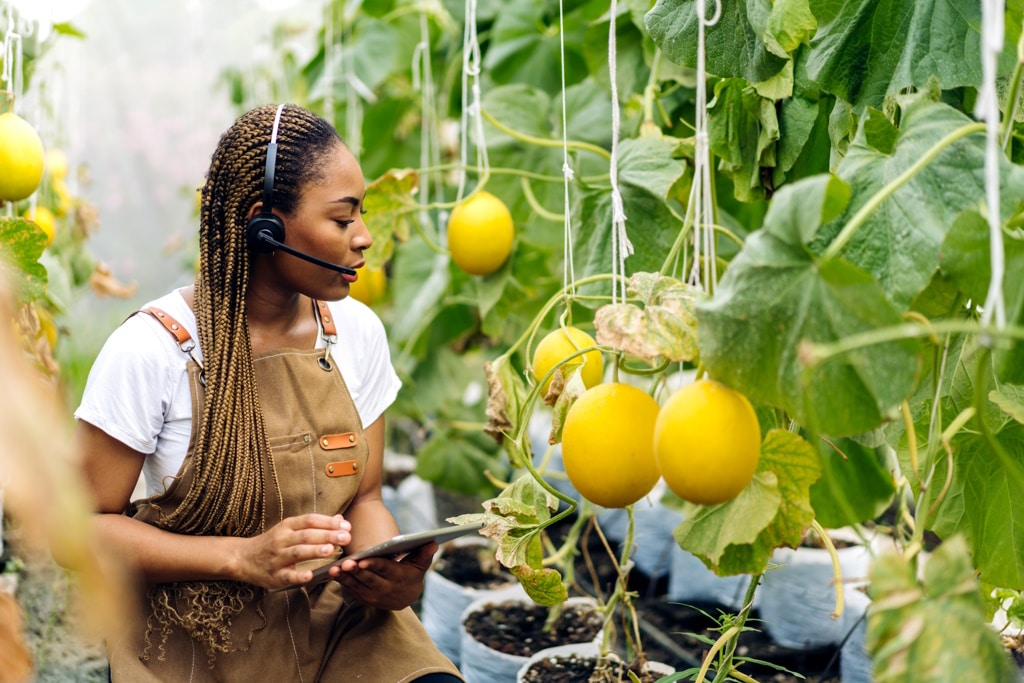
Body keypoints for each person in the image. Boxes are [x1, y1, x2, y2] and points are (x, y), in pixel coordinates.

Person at [74, 104, 464, 682]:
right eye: (342, 219)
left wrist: (388, 574)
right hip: (193, 637)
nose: (365, 238)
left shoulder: (355, 332)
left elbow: (368, 497)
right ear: (265, 224)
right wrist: (242, 557)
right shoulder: (152, 351)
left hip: (336, 624)